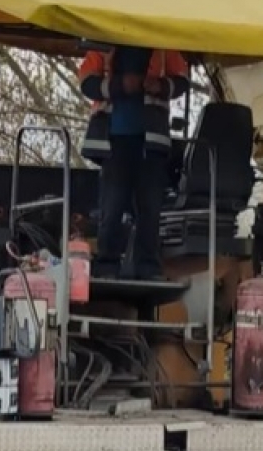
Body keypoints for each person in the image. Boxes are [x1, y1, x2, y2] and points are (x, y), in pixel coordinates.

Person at [78, 45, 189, 280]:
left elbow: (182, 80)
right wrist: (120, 85)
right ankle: (107, 266)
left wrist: (160, 86)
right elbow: (86, 82)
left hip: (152, 142)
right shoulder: (103, 42)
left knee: (150, 209)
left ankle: (147, 269)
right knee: (112, 207)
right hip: (114, 142)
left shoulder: (161, 43)